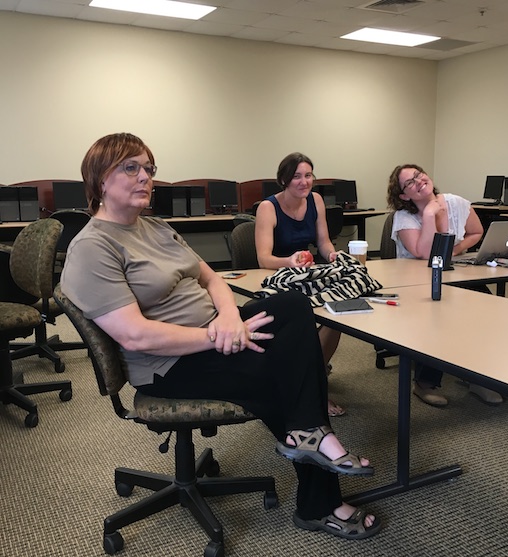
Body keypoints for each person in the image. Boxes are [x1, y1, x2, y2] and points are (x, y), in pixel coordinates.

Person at [60, 133, 381, 541]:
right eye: (131, 167)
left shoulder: (154, 227)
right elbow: (135, 336)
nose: (145, 177)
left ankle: (307, 434)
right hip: (170, 363)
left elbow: (211, 276)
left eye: (149, 168)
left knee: (292, 305)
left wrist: (230, 318)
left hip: (217, 331)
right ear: (99, 179)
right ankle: (319, 501)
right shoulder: (92, 246)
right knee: (284, 371)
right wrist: (220, 337)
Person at [386, 163, 503, 407]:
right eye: (410, 182)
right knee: (436, 313)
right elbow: (424, 253)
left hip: (454, 274)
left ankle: (478, 377)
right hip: (415, 282)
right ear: (404, 195)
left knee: (486, 305)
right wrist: (429, 215)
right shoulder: (404, 216)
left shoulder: (457, 203)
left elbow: (476, 232)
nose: (418, 181)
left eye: (419, 175)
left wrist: (455, 250)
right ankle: (425, 384)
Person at [254, 152, 345, 418]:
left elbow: (323, 241)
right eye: (296, 177)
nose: (304, 182)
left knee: (336, 315)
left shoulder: (315, 200)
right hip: (278, 274)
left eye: (308, 175)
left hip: (306, 273)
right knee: (303, 321)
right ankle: (313, 389)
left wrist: (331, 255)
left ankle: (312, 376)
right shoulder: (267, 208)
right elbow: (263, 258)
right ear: (283, 179)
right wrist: (289, 261)